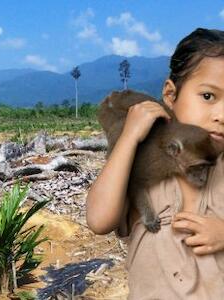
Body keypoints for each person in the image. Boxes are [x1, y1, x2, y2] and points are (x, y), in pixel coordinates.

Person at [86, 28, 224, 299]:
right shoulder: (141, 164)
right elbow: (99, 220)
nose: (222, 115)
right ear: (170, 95)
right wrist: (129, 137)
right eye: (208, 96)